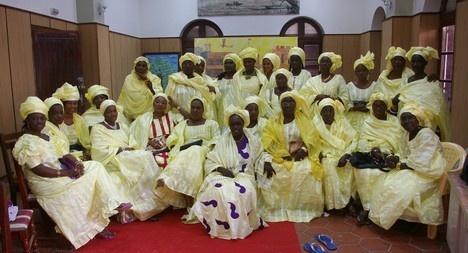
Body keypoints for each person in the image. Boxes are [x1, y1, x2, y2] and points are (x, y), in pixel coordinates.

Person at [12, 96, 130, 249]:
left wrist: (78, 164)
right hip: (45, 182)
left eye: (42, 118)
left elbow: (64, 154)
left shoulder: (47, 136)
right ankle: (95, 227)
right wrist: (67, 173)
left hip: (61, 173)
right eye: (35, 119)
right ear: (27, 120)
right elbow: (38, 169)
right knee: (84, 186)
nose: (39, 122)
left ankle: (113, 204)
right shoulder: (26, 140)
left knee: (95, 166)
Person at [191, 105, 267, 239]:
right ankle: (219, 226)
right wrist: (221, 169)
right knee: (216, 190)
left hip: (245, 177)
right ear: (229, 125)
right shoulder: (223, 140)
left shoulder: (252, 141)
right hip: (223, 175)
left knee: (239, 192)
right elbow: (211, 159)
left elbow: (262, 154)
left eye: (238, 124)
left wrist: (266, 162)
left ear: (244, 124)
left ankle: (237, 227)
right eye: (233, 124)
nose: (236, 127)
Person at [369, 102, 446, 230]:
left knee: (401, 188)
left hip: (428, 173)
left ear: (418, 119)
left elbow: (421, 161)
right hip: (412, 169)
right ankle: (396, 218)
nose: (406, 122)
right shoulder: (406, 134)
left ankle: (407, 221)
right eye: (403, 119)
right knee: (385, 182)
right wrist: (394, 158)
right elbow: (402, 152)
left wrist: (398, 165)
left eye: (410, 118)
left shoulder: (426, 134)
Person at [90, 99, 169, 222]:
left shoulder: (123, 126)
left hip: (128, 155)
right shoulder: (97, 128)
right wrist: (121, 149)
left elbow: (133, 141)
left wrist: (131, 148)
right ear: (104, 114)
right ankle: (143, 206)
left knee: (146, 156)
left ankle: (147, 208)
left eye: (114, 111)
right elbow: (98, 150)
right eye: (109, 112)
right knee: (144, 157)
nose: (112, 114)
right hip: (112, 158)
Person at [257, 90, 324, 222]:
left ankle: (303, 209)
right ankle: (277, 208)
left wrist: (304, 149)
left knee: (307, 170)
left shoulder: (303, 119)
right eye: (285, 102)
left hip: (300, 156)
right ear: (280, 104)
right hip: (279, 156)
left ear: (296, 103)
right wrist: (281, 153)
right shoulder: (273, 121)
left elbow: (312, 139)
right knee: (272, 171)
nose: (288, 105)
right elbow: (267, 139)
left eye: (291, 102)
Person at [155, 97, 220, 217]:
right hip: (185, 152)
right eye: (193, 108)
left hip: (203, 151)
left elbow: (216, 141)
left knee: (194, 150)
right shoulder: (183, 124)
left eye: (198, 108)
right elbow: (172, 138)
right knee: (187, 154)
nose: (195, 110)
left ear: (203, 110)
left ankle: (167, 177)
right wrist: (174, 142)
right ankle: (187, 203)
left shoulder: (212, 123)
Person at [348, 93, 402, 225]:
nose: (378, 108)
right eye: (375, 105)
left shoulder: (394, 121)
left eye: (381, 105)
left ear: (386, 106)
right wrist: (372, 148)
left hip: (387, 156)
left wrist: (383, 150)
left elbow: (397, 141)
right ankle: (366, 206)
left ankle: (372, 210)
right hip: (370, 155)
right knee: (363, 173)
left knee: (378, 174)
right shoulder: (368, 121)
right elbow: (361, 140)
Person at [392, 46, 451, 141]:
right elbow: (397, 103)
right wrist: (396, 100)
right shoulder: (405, 81)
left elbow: (438, 107)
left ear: (425, 63)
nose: (416, 64)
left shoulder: (432, 82)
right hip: (405, 123)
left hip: (426, 126)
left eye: (419, 62)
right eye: (413, 62)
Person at [313, 98, 356, 214]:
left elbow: (354, 140)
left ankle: (347, 202)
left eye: (330, 111)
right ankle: (334, 205)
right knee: (328, 165)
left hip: (343, 152)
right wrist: (318, 152)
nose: (328, 114)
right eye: (324, 111)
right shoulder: (316, 123)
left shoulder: (342, 121)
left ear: (334, 111)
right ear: (320, 112)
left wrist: (346, 154)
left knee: (350, 166)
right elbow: (312, 142)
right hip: (326, 154)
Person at [130, 93, 180, 168]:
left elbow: (188, 118)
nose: (160, 104)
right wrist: (149, 142)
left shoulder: (171, 116)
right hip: (150, 150)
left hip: (169, 149)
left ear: (166, 105)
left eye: (163, 103)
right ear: (153, 103)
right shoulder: (143, 119)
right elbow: (135, 135)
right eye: (157, 102)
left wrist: (176, 106)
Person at [165, 52, 217, 120]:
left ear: (194, 66)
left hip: (197, 120)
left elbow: (208, 99)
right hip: (177, 118)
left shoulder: (200, 81)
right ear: (181, 66)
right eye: (185, 64)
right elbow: (167, 99)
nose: (187, 66)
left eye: (190, 64)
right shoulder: (175, 79)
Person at [117, 56, 163, 121]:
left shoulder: (154, 78)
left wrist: (146, 79)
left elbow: (157, 94)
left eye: (144, 66)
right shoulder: (129, 78)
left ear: (147, 67)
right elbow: (123, 97)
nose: (141, 68)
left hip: (148, 114)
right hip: (130, 114)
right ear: (135, 66)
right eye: (139, 65)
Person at [52, 82, 91, 157]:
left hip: (78, 152)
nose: (72, 106)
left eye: (75, 103)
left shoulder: (79, 120)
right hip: (62, 153)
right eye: (69, 103)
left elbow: (85, 142)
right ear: (63, 104)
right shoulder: (57, 120)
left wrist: (86, 151)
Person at [347, 51, 377, 131]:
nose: (361, 73)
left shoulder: (375, 85)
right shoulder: (349, 86)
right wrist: (354, 107)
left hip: (369, 119)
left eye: (364, 70)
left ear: (368, 71)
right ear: (355, 72)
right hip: (351, 119)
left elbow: (378, 101)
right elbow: (345, 102)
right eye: (359, 71)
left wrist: (368, 108)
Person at [214, 53, 242, 129]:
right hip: (222, 111)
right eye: (226, 63)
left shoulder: (240, 79)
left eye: (231, 63)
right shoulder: (219, 79)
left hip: (237, 109)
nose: (228, 65)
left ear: (236, 64)